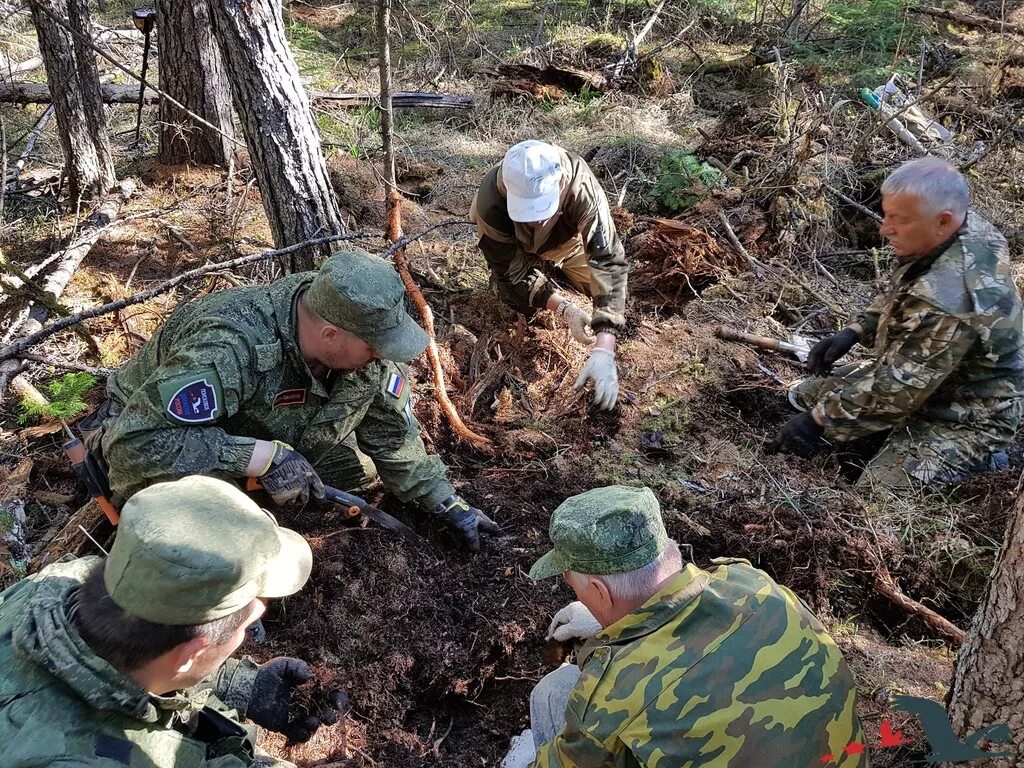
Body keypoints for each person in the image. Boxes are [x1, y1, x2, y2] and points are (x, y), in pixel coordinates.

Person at [86, 248, 499, 550]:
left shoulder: (362, 350)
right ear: (330, 335)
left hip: (276, 433)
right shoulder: (231, 346)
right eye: (374, 347)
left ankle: (258, 484)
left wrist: (447, 503)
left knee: (364, 471)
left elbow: (393, 440)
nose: (381, 356)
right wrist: (259, 458)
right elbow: (134, 444)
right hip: (163, 434)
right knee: (202, 528)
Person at [503, 485, 866, 768]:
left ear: (599, 590)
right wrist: (606, 620)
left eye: (574, 583)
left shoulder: (611, 696)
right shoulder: (751, 583)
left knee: (554, 693)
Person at [0, 475, 347, 767]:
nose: (249, 629)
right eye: (246, 624)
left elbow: (150, 654)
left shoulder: (55, 585)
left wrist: (237, 684)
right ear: (190, 654)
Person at [772, 157, 1024, 488]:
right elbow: (906, 287)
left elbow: (901, 388)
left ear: (942, 221)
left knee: (878, 488)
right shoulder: (965, 230)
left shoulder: (951, 298)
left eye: (899, 220)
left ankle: (989, 459)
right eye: (886, 214)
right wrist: (857, 328)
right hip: (934, 377)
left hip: (970, 412)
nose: (884, 228)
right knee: (804, 395)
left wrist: (818, 422)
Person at [470, 139, 629, 411]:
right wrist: (564, 308)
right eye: (527, 211)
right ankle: (546, 284)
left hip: (566, 243)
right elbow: (511, 271)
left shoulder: (580, 186)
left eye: (542, 208)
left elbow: (608, 260)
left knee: (604, 294)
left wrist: (604, 347)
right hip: (518, 248)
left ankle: (560, 273)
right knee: (513, 299)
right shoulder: (491, 204)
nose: (536, 220)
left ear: (559, 184)